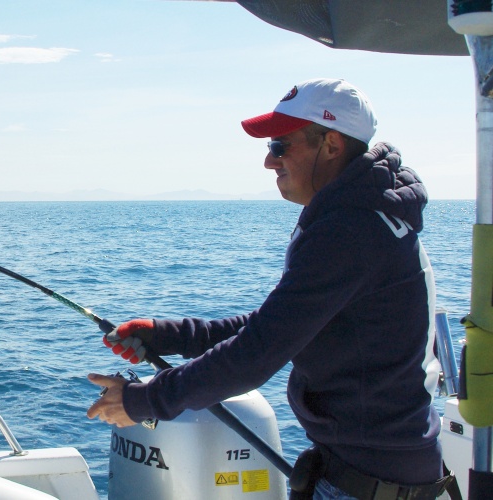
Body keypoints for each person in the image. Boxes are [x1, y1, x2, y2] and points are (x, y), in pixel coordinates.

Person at [86, 78, 456, 499]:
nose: (268, 161)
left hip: (371, 484)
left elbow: (258, 353)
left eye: (280, 146)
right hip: (381, 473)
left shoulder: (349, 229)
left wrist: (142, 401)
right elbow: (283, 325)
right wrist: (170, 335)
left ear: (332, 145)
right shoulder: (365, 213)